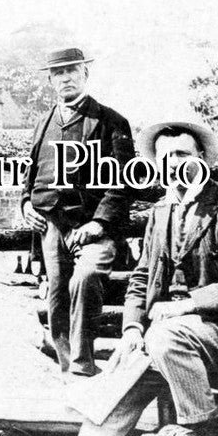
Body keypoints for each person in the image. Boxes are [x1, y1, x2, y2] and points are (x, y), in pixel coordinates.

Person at [3, 120, 218, 436]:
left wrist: (185, 305)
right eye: (166, 158)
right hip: (170, 335)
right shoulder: (162, 211)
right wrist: (132, 328)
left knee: (166, 337)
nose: (174, 164)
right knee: (118, 388)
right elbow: (141, 278)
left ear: (202, 159)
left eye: (182, 155)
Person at [22, 48, 134, 377]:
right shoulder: (43, 123)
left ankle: (84, 365)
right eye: (58, 73)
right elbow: (30, 175)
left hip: (93, 227)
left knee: (85, 278)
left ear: (86, 74)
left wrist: (100, 223)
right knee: (56, 290)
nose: (66, 77)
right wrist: (26, 203)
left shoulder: (112, 121)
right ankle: (66, 365)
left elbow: (124, 182)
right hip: (50, 223)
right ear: (50, 80)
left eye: (72, 70)